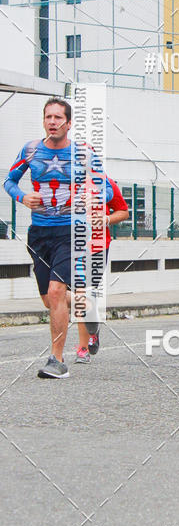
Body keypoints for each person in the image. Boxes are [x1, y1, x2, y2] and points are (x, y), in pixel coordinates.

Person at [4, 97, 113, 378]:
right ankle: (89, 312)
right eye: (48, 117)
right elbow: (9, 181)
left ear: (68, 123)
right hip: (39, 233)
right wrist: (22, 196)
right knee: (50, 300)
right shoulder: (30, 150)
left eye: (57, 118)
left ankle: (57, 361)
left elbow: (108, 191)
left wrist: (90, 195)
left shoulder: (84, 153)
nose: (52, 122)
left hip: (71, 232)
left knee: (55, 292)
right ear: (44, 121)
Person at [72, 176, 129, 363]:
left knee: (84, 293)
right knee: (75, 295)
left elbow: (123, 212)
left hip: (97, 247)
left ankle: (84, 345)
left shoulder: (105, 183)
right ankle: (89, 332)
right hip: (69, 246)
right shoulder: (63, 180)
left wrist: (105, 219)